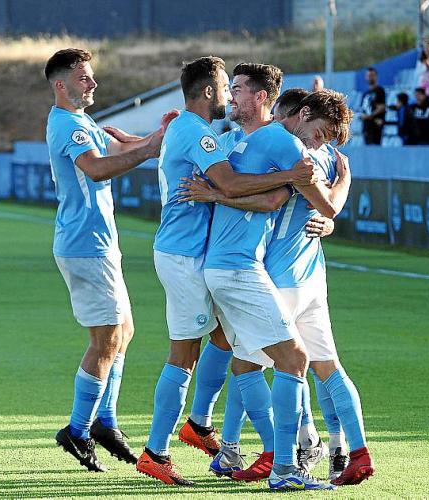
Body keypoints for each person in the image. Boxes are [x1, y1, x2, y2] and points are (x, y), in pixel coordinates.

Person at [134, 59, 318, 486]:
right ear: (207, 91)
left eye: (236, 89)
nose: (229, 96)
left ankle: (203, 426)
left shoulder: (192, 129)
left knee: (225, 339)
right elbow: (230, 184)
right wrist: (290, 176)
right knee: (184, 354)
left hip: (190, 253)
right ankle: (157, 451)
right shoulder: (197, 131)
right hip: (185, 256)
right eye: (224, 87)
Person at [201, 88, 353, 491]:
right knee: (295, 359)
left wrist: (216, 193)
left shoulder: (249, 142)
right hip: (245, 271)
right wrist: (343, 181)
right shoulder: (284, 145)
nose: (320, 142)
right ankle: (288, 460)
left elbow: (267, 197)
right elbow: (315, 204)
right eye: (321, 132)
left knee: (246, 361)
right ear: (299, 114)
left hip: (236, 268)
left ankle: (239, 448)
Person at [44, 48, 171, 472]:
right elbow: (97, 168)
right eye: (84, 77)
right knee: (106, 339)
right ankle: (78, 430)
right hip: (85, 244)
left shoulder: (81, 122)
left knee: (123, 331)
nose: (93, 83)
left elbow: (118, 147)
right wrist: (149, 148)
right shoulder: (67, 124)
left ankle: (105, 421)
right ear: (61, 85)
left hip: (97, 242)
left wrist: (156, 139)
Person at [360, 68, 386, 145]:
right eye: (368, 75)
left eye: (372, 75)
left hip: (375, 126)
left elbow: (382, 107)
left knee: (375, 146)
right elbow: (363, 109)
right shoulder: (365, 93)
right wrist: (362, 116)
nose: (370, 77)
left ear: (376, 77)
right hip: (366, 126)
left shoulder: (380, 91)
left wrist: (370, 115)